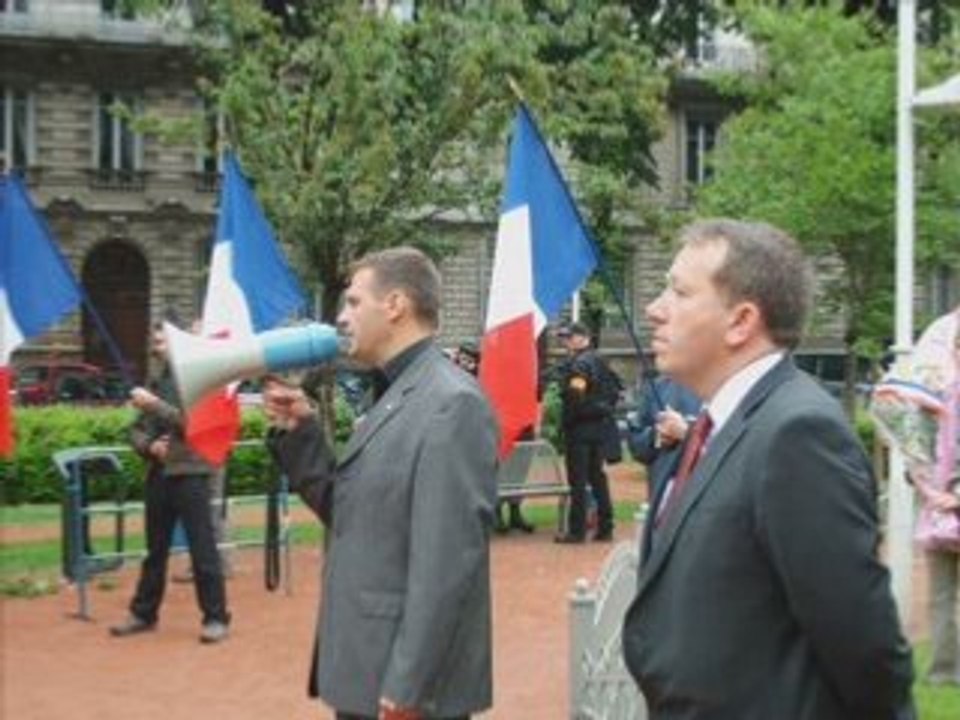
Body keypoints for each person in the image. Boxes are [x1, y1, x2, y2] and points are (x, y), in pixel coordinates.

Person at [621, 219, 914, 718]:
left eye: (678, 291)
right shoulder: (717, 424)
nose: (654, 309)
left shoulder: (796, 435)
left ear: (741, 322)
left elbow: (862, 642)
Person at [264, 247, 498, 720]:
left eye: (353, 302)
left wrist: (409, 684)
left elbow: (446, 563)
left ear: (394, 305)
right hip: (369, 666)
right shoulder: (396, 391)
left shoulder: (452, 403)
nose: (341, 317)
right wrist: (302, 433)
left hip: (404, 686)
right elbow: (354, 512)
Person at [109, 324, 230, 644]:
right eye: (155, 338)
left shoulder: (202, 377)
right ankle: (143, 614)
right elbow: (136, 430)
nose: (156, 343)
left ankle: (216, 617)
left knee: (203, 549)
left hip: (191, 473)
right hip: (159, 473)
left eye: (162, 338)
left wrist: (153, 406)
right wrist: (150, 447)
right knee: (155, 551)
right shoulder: (157, 380)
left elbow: (196, 424)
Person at [553, 321, 619, 543]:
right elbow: (614, 391)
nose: (566, 342)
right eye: (564, 338)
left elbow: (575, 395)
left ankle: (577, 531)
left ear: (584, 338)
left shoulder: (580, 364)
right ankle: (606, 527)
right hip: (600, 427)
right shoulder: (602, 360)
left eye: (570, 337)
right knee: (598, 478)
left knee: (578, 481)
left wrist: (572, 415)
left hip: (581, 429)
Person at [625, 376, 700, 534]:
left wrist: (687, 433)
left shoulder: (728, 384)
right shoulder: (657, 387)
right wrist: (657, 435)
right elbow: (638, 447)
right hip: (661, 508)